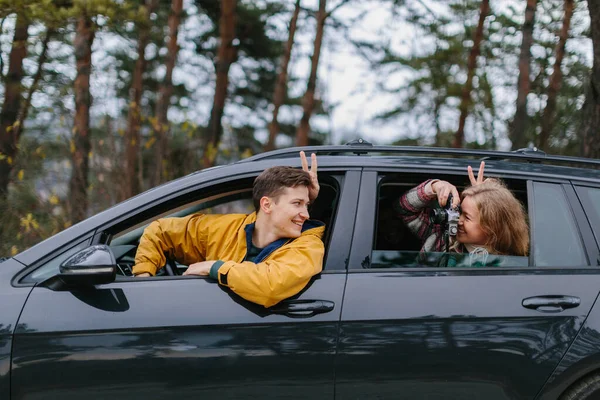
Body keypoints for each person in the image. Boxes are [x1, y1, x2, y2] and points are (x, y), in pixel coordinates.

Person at [132, 152, 324, 308]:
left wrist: (215, 267)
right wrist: (143, 278)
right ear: (266, 205)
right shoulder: (228, 228)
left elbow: (270, 285)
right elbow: (160, 231)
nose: (306, 214)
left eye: (306, 205)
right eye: (298, 203)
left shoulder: (309, 246)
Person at [396, 161, 529, 258]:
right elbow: (404, 208)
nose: (459, 220)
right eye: (460, 212)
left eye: (467, 217)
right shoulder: (442, 239)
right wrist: (434, 187)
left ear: (492, 226)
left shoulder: (512, 262)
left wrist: (488, 201)